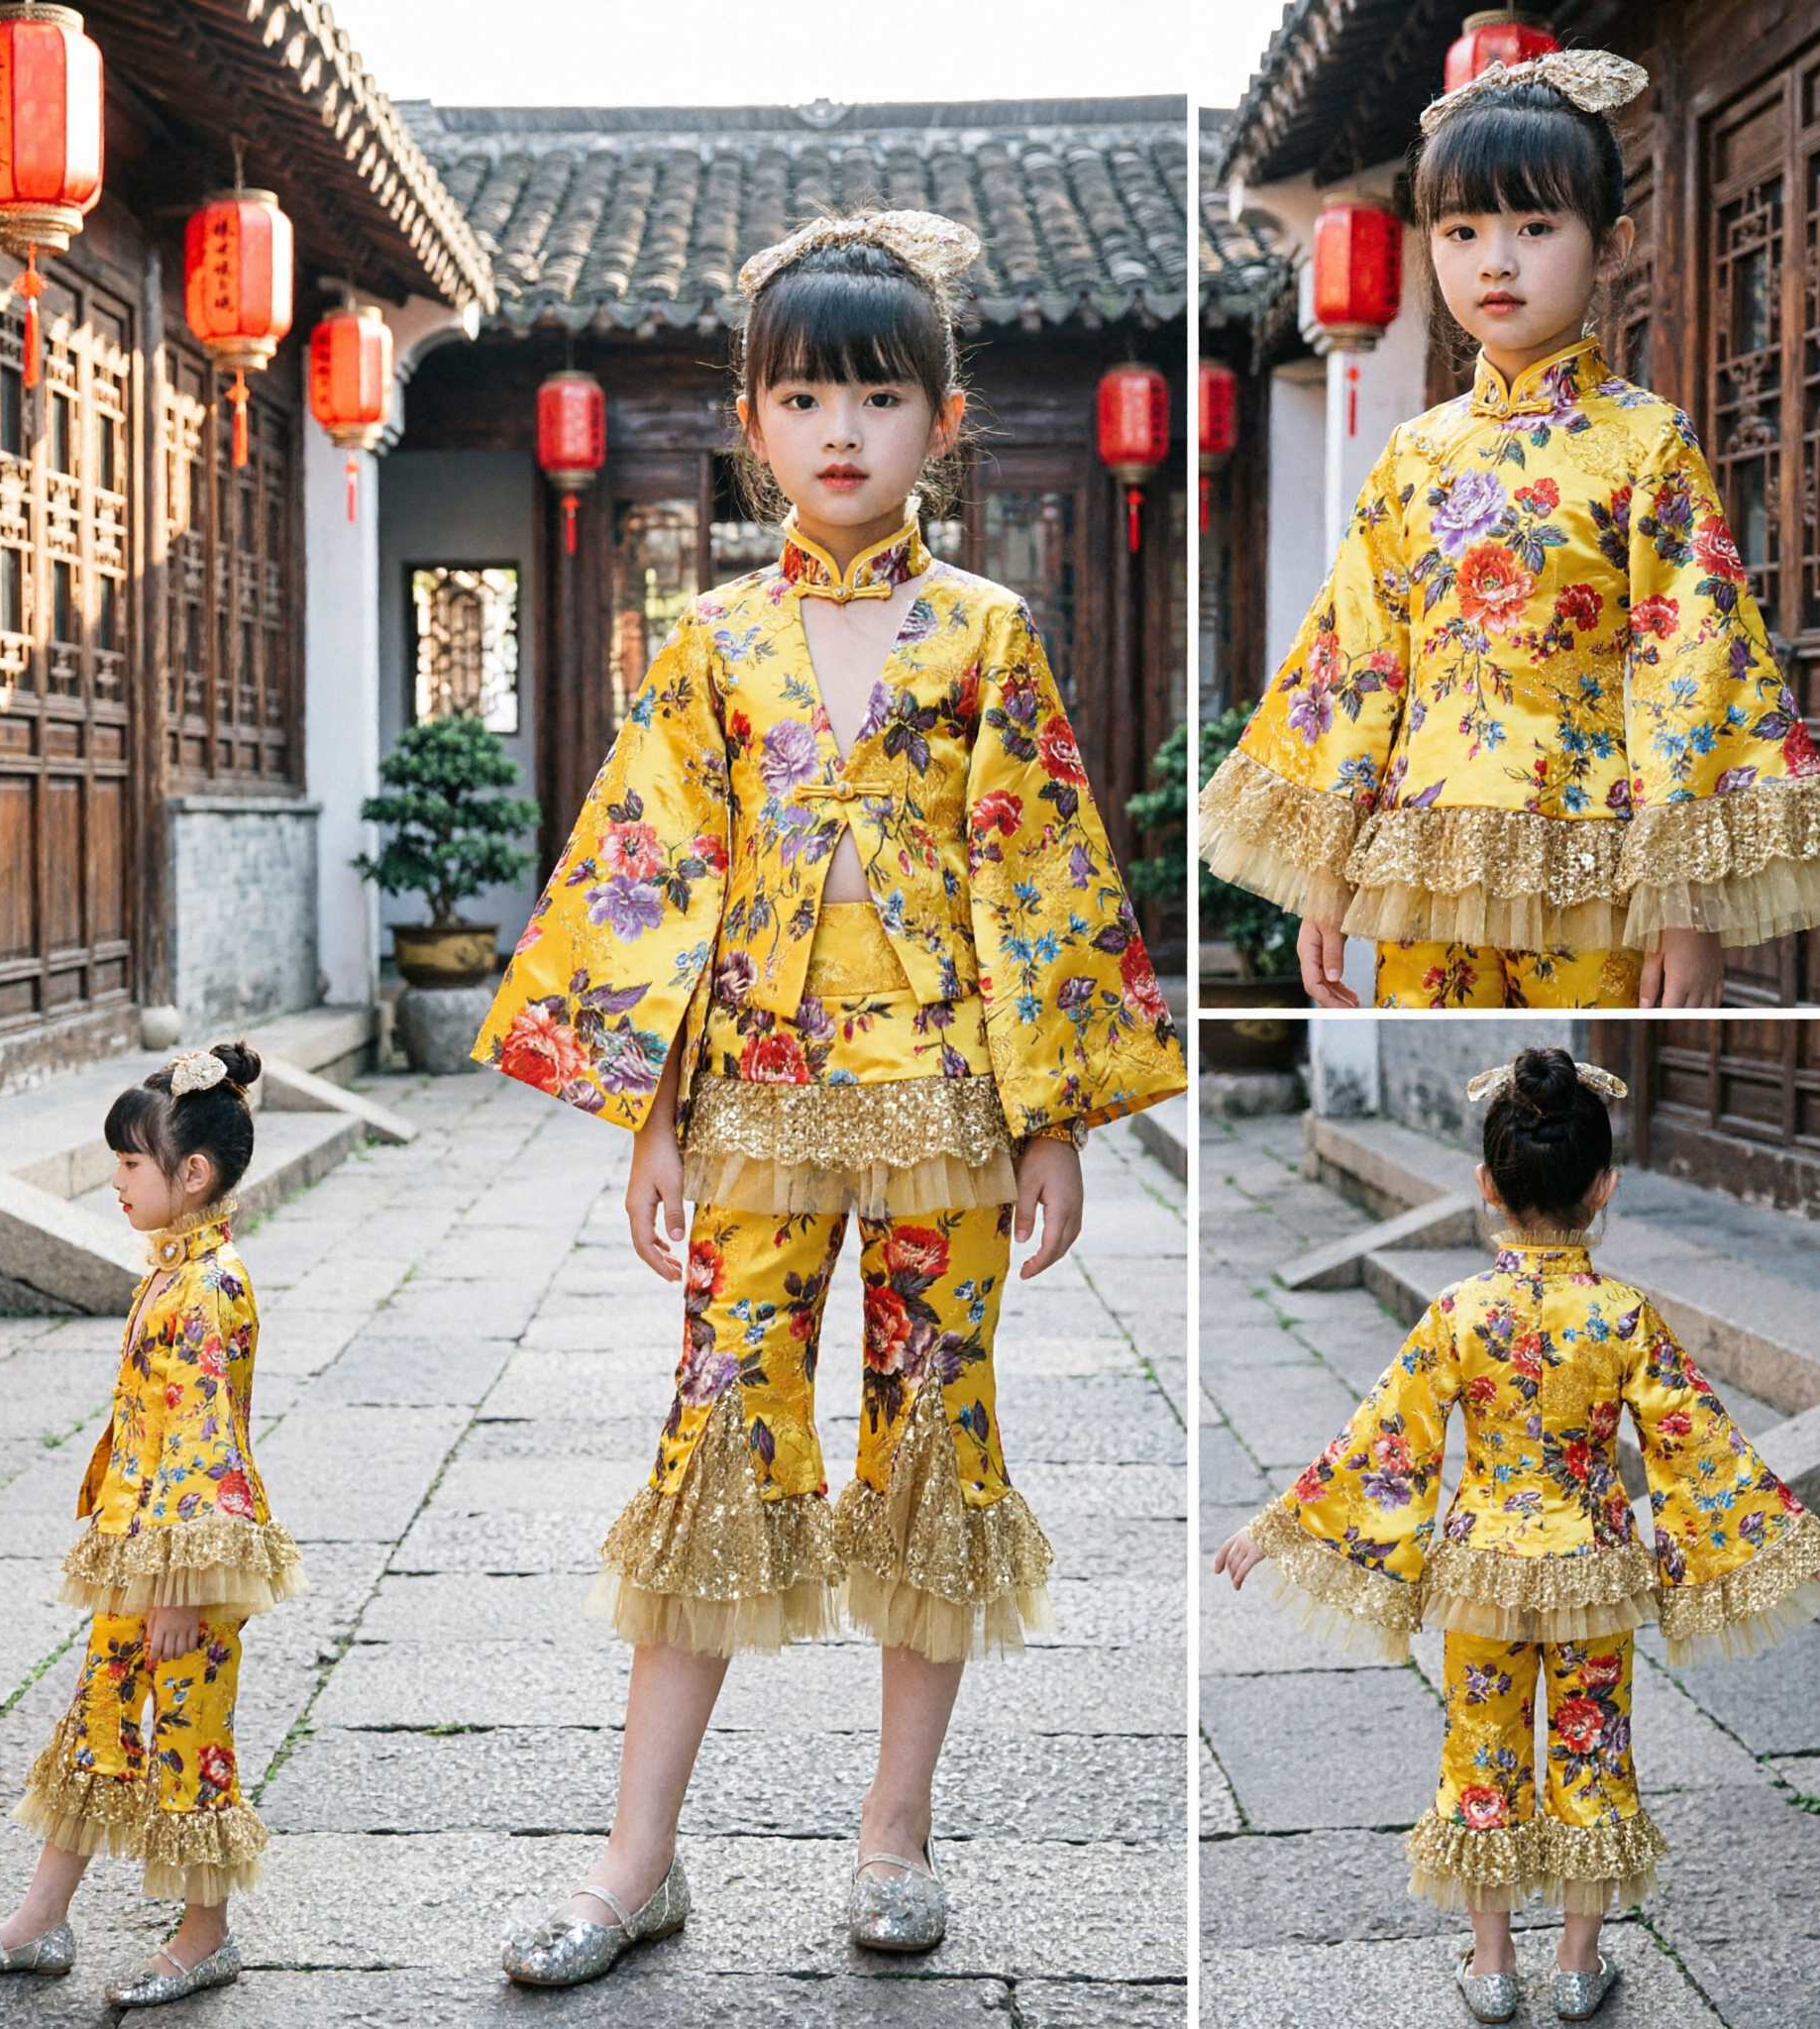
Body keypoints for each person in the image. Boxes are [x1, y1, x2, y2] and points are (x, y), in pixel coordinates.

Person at [473, 207, 1186, 1986]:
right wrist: (647, 1109)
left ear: (944, 422)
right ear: (751, 415)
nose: (842, 430)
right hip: (758, 1094)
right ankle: (636, 1858)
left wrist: (1054, 1118)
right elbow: (643, 870)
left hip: (945, 1085)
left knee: (934, 1435)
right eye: (805, 395)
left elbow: (1038, 872)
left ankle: (895, 1830)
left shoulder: (990, 635)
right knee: (713, 1435)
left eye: (880, 393)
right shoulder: (706, 639)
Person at [1199, 48, 1820, 1011]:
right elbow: (1358, 662)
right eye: (1461, 229)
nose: (1494, 260)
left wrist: (1684, 905)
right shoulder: (1411, 456)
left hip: (1594, 862)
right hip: (1424, 863)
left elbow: (1689, 668)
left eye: (1534, 223)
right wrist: (1325, 876)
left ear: (1611, 244)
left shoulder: (1645, 441)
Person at [1213, 1046, 1820, 2023]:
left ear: (1484, 1184)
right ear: (1601, 1189)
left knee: (1480, 1748)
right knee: (1591, 1751)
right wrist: (1799, 1538)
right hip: (1591, 1566)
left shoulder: (1458, 1313)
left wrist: (1283, 1522)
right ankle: (1574, 1960)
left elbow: (1383, 1438)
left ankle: (1488, 1963)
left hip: (1482, 1567)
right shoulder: (1619, 1315)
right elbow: (1703, 1445)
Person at [0, 1043, 301, 2009]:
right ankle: (39, 1918)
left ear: (193, 1173)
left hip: (190, 1572)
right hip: (137, 1551)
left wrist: (182, 1587)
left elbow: (208, 1442)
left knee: (189, 1736)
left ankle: (204, 1931)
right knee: (98, 1721)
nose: (114, 1180)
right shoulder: (172, 1272)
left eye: (130, 1163)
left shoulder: (211, 1287)